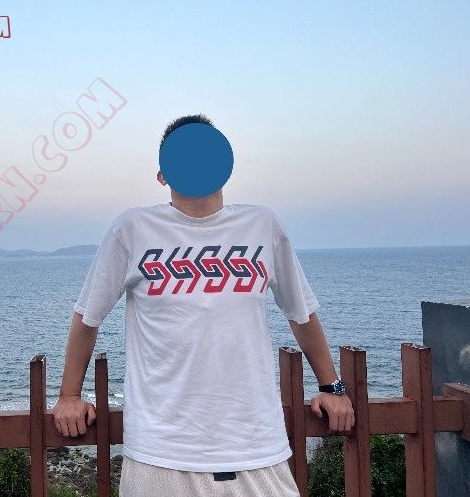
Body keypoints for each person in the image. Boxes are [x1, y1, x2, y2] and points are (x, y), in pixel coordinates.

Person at [52, 114, 354, 496]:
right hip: (159, 452)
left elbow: (301, 313)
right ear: (162, 175)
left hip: (257, 446)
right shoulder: (131, 228)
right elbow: (88, 317)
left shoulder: (263, 225)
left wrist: (332, 387)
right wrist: (69, 396)